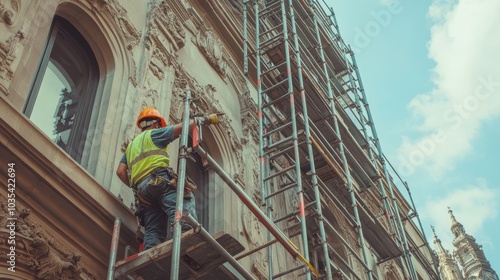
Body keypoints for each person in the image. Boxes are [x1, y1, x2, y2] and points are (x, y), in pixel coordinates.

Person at [116, 107, 219, 250]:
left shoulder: (131, 146)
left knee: (154, 227)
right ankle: (185, 240)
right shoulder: (154, 134)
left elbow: (120, 172)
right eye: (159, 125)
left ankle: (151, 253)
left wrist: (136, 186)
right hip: (159, 179)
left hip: (142, 192)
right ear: (156, 124)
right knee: (184, 201)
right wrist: (205, 119)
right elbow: (185, 127)